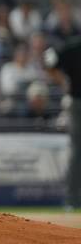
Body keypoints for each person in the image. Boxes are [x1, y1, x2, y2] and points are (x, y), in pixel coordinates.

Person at [44, 36, 81, 209]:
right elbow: (49, 59)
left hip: (76, 101)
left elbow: (49, 59)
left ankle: (72, 199)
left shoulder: (73, 45)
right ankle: (72, 199)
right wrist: (63, 82)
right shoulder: (74, 46)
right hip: (78, 103)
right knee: (77, 151)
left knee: (77, 151)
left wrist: (63, 82)